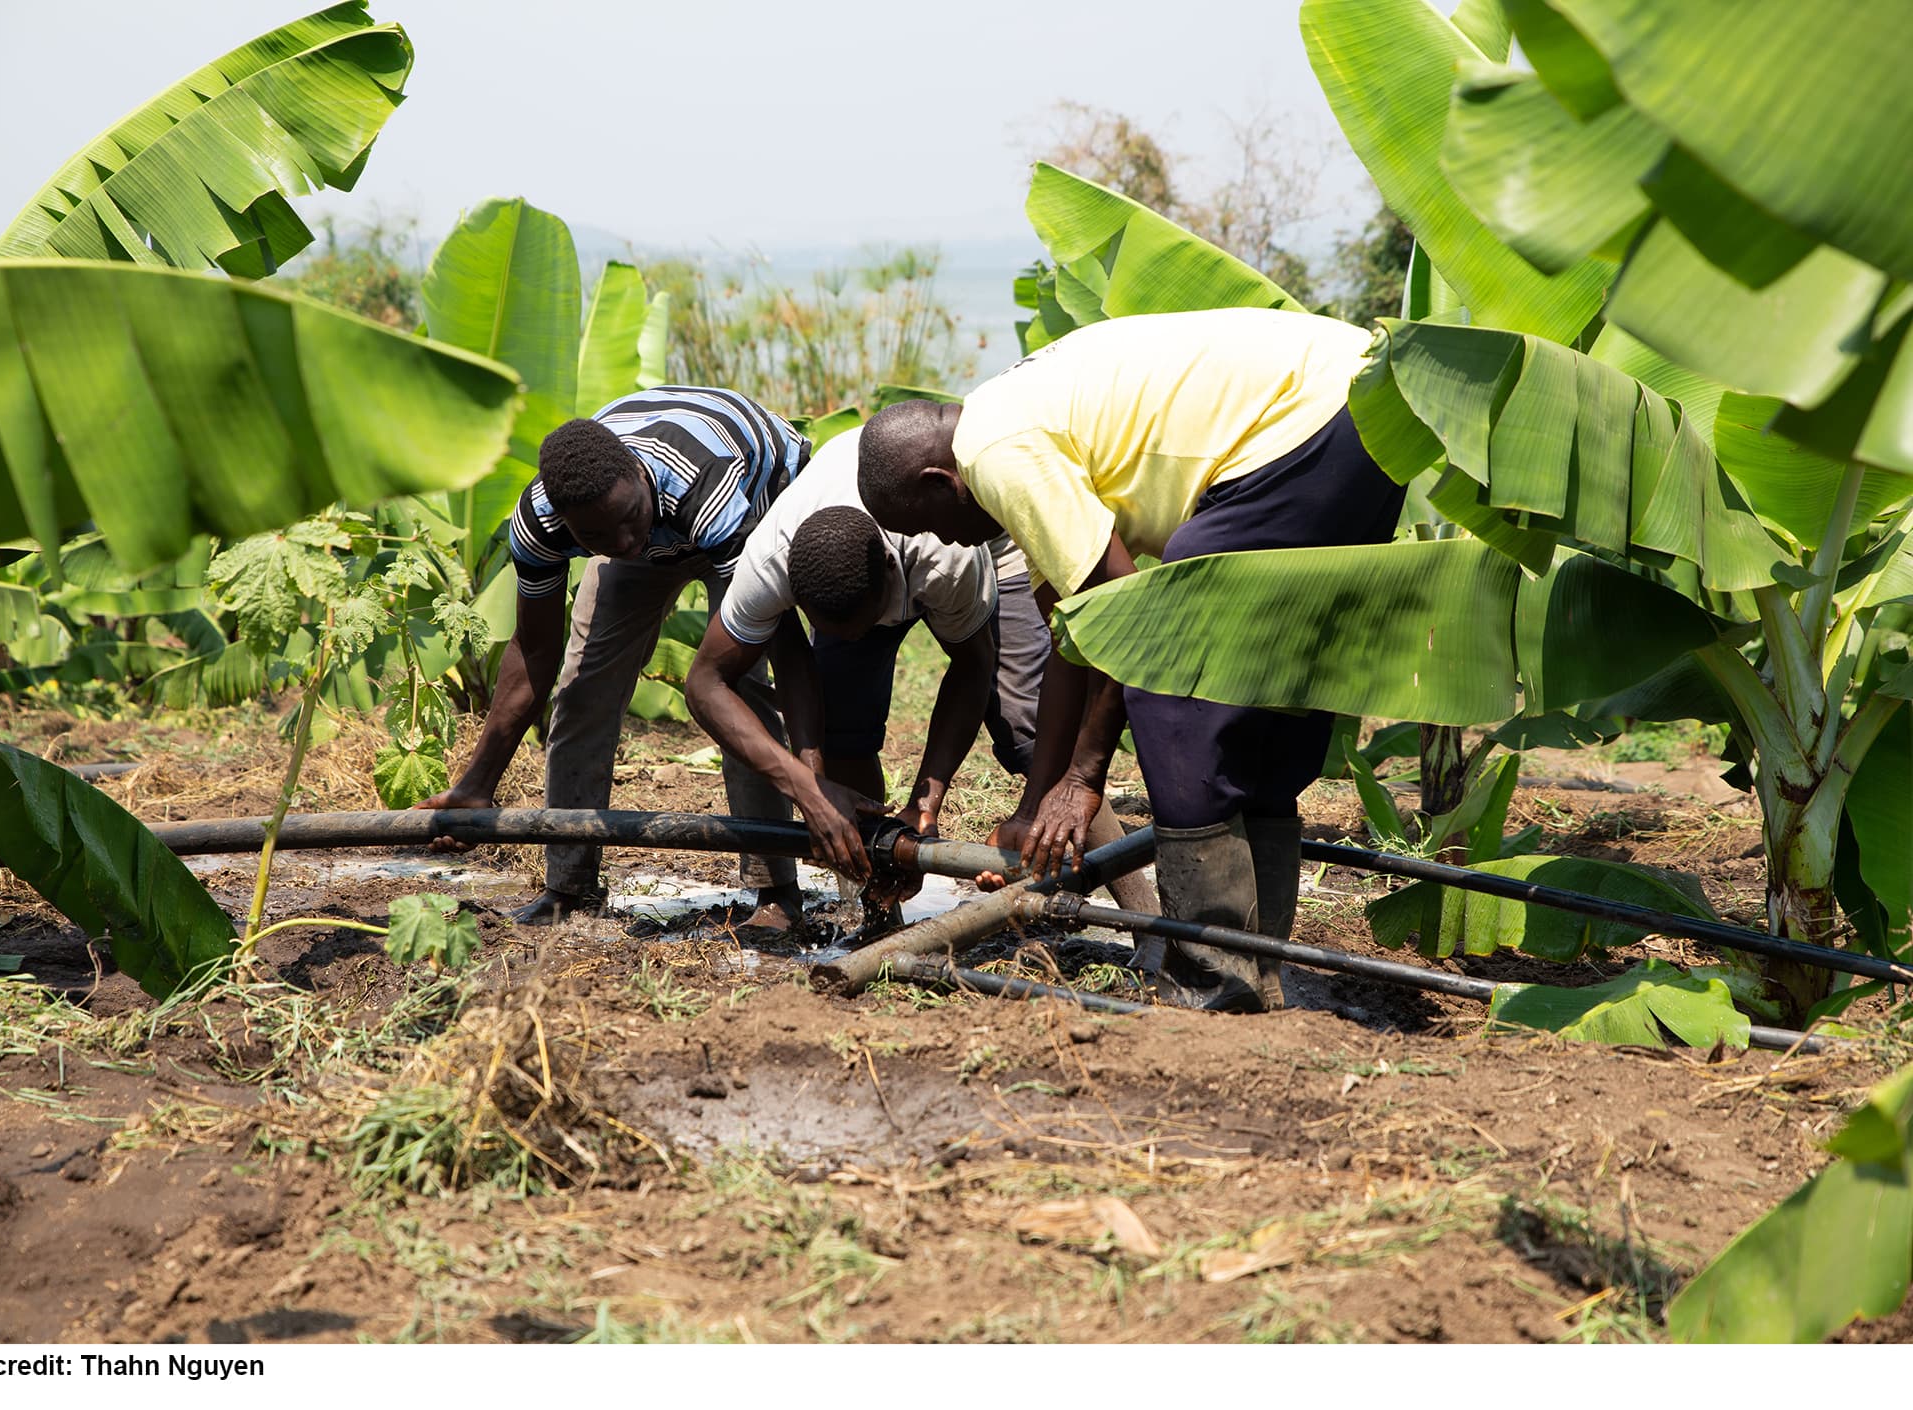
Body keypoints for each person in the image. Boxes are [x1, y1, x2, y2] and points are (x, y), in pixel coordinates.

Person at [856, 307, 1403, 1011]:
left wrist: (1084, 778)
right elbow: (1074, 638)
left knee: (1173, 693)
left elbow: (1131, 620)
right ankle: (1259, 979)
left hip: (1310, 418)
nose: (954, 544)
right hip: (1363, 402)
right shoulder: (1008, 416)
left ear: (940, 481)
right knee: (1261, 689)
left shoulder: (998, 455)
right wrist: (1034, 804)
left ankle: (1211, 985)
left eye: (933, 525)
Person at [685, 426, 1157, 915]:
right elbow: (704, 684)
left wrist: (926, 801)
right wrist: (810, 787)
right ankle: (876, 909)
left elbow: (975, 668)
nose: (854, 639)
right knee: (842, 730)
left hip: (986, 541)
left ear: (891, 575)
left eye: (863, 625)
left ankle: (1143, 917)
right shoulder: (772, 561)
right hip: (849, 550)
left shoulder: (946, 559)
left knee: (1032, 730)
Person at [416, 387, 811, 932]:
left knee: (739, 688)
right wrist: (477, 783)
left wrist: (811, 777)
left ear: (640, 477)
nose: (623, 543)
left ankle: (775, 890)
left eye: (627, 519)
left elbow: (772, 644)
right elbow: (535, 652)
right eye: (596, 536)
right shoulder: (541, 522)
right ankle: (570, 887)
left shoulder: (705, 487)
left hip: (758, 502)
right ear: (567, 521)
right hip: (666, 521)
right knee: (582, 691)